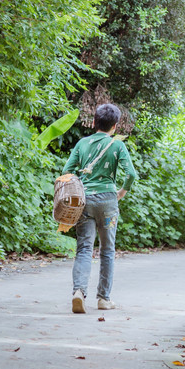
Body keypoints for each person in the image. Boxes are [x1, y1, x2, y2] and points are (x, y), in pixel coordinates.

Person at [62, 103, 136, 314]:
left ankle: (78, 292)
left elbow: (67, 171)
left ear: (94, 122)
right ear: (115, 126)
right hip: (108, 203)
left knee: (84, 248)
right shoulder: (117, 145)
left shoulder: (82, 144)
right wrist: (122, 192)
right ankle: (103, 298)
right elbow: (131, 174)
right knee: (107, 250)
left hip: (85, 201)